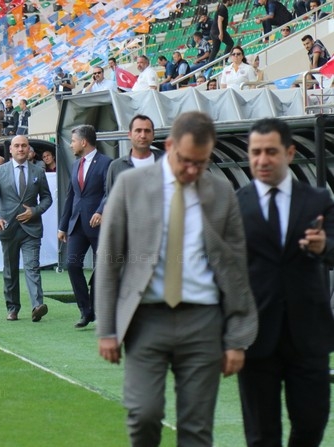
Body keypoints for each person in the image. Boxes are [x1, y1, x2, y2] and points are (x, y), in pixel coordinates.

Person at [95, 111, 258, 447]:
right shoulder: (131, 185)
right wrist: (106, 329)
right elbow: (109, 260)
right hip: (146, 319)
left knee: (197, 428)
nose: (192, 170)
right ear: (168, 145)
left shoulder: (221, 191)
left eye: (201, 162)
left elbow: (236, 267)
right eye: (185, 160)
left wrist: (237, 337)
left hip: (204, 321)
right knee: (144, 413)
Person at [236, 118, 334, 447]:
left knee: (312, 422)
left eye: (271, 152)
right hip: (255, 335)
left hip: (309, 334)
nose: (262, 160)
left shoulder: (319, 200)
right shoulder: (235, 205)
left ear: (290, 153)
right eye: (256, 152)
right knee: (262, 434)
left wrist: (325, 247)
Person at [0, 135, 52, 322]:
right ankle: (12, 308)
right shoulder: (0, 171)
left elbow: (47, 198)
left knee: (32, 267)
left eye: (24, 145)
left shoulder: (38, 171)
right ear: (11, 150)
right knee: (10, 270)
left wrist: (35, 210)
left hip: (31, 228)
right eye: (17, 146)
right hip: (8, 227)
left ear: (29, 149)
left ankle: (37, 306)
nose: (21, 149)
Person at [57, 125, 112, 329]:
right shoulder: (75, 164)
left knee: (104, 267)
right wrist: (63, 226)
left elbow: (109, 190)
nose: (71, 145)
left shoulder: (106, 163)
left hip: (99, 225)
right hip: (77, 225)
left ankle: (97, 303)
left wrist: (100, 210)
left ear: (83, 142)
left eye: (73, 141)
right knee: (72, 265)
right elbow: (71, 196)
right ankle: (85, 310)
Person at [105, 115, 163, 196]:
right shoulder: (117, 167)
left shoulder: (167, 161)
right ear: (129, 135)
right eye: (138, 131)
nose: (143, 135)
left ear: (153, 135)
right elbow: (110, 199)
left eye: (147, 131)